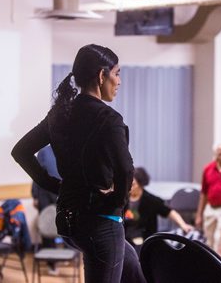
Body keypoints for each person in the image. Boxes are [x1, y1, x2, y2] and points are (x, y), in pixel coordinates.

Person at [11, 44, 145, 283]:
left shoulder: (60, 114)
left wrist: (52, 185)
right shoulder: (109, 118)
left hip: (68, 220)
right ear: (102, 75)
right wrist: (116, 202)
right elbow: (126, 169)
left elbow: (20, 151)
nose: (119, 81)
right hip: (100, 223)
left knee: (132, 265)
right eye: (117, 73)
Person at [124, 167, 193, 253]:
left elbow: (169, 212)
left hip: (144, 240)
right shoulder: (123, 200)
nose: (130, 187)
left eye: (133, 184)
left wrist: (183, 225)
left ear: (140, 184)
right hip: (125, 239)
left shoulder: (151, 201)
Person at [32, 145, 59, 274]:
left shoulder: (69, 146)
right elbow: (36, 173)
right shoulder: (43, 151)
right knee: (48, 225)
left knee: (68, 224)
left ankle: (68, 255)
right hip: (45, 193)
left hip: (64, 191)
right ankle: (51, 263)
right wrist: (35, 195)